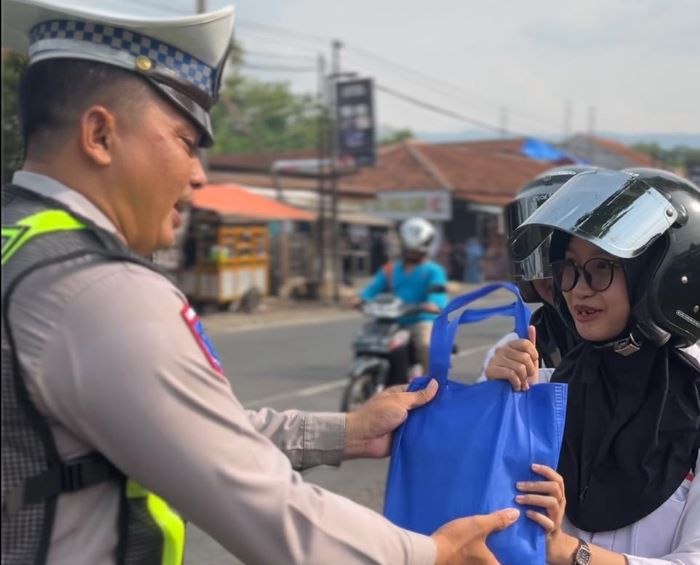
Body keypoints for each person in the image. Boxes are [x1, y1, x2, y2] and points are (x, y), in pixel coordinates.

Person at [0, 2, 519, 564]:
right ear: (100, 134)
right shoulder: (100, 289)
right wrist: (428, 554)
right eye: (185, 140)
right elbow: (257, 500)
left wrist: (346, 432)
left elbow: (183, 433)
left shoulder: (20, 241)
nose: (198, 175)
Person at [503, 168, 700, 564]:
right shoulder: (540, 389)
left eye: (603, 267)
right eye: (568, 268)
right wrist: (491, 398)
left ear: (657, 276)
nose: (578, 287)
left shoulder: (692, 413)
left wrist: (571, 553)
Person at [481, 166, 597, 388]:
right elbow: (485, 421)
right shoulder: (515, 350)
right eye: (545, 263)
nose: (567, 282)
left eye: (595, 265)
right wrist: (497, 391)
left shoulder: (669, 356)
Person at [349, 217, 449, 374]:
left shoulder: (434, 271)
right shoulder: (390, 269)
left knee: (425, 345)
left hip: (421, 319)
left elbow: (438, 295)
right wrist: (360, 298)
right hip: (393, 319)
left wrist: (433, 304)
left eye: (416, 251)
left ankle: (434, 386)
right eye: (409, 250)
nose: (412, 254)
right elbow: (373, 288)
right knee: (365, 341)